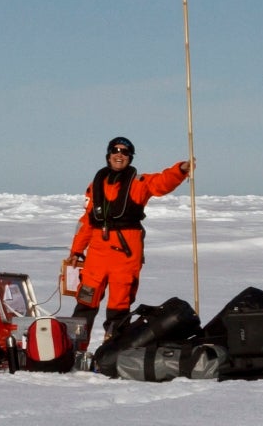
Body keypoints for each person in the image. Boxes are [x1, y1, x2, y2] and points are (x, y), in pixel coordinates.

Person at [62, 136, 191, 347]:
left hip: (125, 255)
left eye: (124, 151)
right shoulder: (95, 185)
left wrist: (181, 170)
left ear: (130, 157)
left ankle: (111, 353)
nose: (119, 154)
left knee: (119, 307)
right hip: (96, 256)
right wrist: (76, 251)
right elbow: (86, 222)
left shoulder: (139, 183)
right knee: (85, 302)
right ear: (108, 155)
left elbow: (161, 183)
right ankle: (75, 349)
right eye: (115, 150)